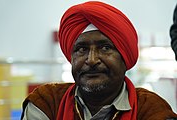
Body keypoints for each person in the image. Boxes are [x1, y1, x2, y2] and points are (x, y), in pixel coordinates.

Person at [21, 1, 177, 120]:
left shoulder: (151, 109)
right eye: (82, 49)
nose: (92, 60)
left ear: (125, 56)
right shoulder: (47, 103)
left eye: (105, 48)